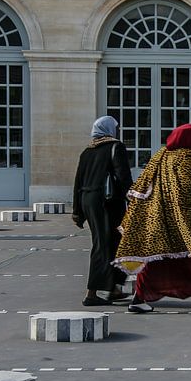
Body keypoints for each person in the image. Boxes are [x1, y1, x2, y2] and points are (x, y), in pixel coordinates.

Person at [114, 123, 191, 313]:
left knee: (164, 259)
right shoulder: (185, 156)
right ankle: (140, 298)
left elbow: (144, 183)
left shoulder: (162, 154)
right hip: (171, 218)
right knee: (180, 257)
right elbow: (182, 189)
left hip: (154, 215)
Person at [72, 115, 133, 306]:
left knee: (115, 242)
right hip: (107, 202)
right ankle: (91, 293)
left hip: (89, 201)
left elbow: (78, 182)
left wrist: (77, 211)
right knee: (104, 244)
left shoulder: (87, 151)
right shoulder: (116, 147)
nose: (118, 131)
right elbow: (123, 176)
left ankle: (114, 289)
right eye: (117, 127)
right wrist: (134, 200)